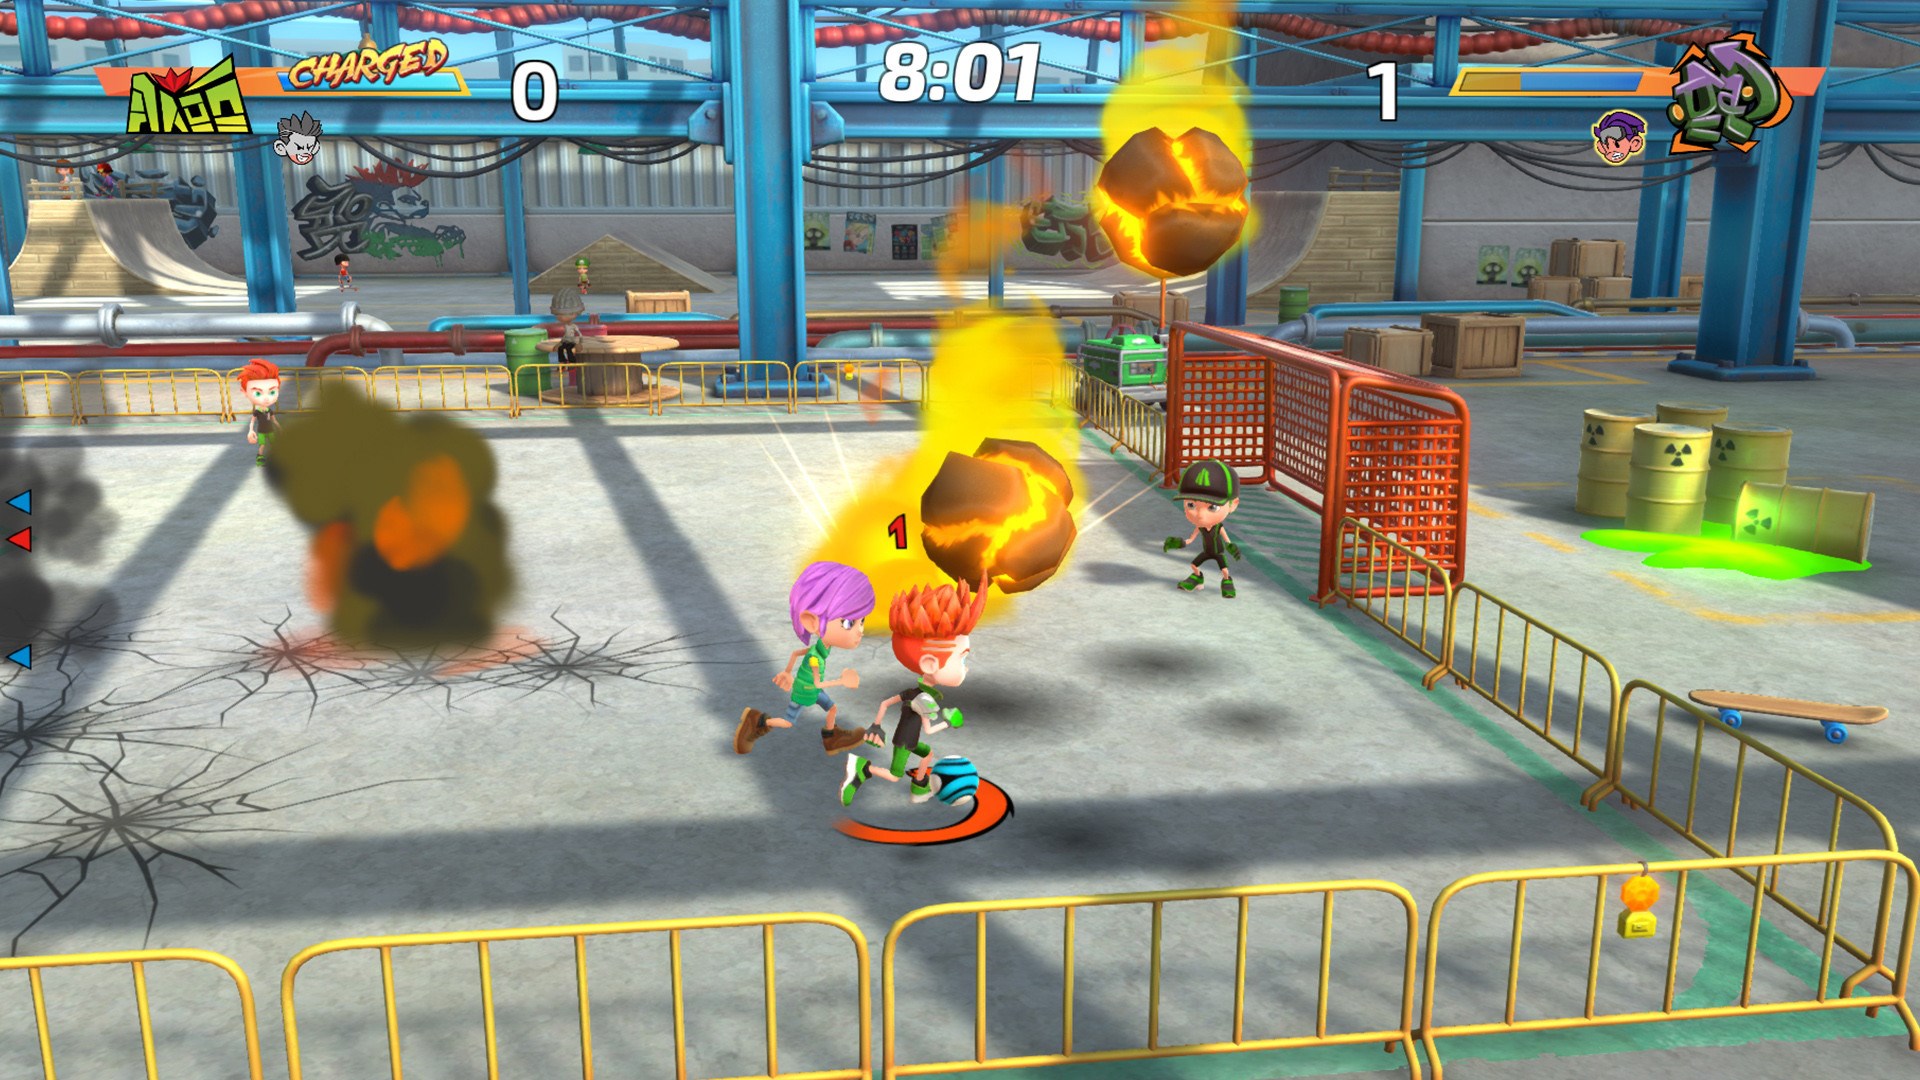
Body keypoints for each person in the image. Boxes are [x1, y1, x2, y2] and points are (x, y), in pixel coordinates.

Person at [842, 578, 985, 807]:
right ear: (929, 664)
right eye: (962, 659)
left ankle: (919, 787)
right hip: (905, 743)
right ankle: (862, 768)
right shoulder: (923, 699)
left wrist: (876, 725)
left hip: (909, 739)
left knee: (927, 755)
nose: (965, 667)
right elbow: (928, 729)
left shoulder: (913, 691)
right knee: (894, 775)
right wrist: (948, 722)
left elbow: (886, 703)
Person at [736, 561, 874, 756]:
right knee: (788, 722)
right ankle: (758, 722)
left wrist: (787, 671)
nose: (860, 631)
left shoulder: (820, 648)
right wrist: (842, 681)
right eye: (848, 623)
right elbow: (818, 682)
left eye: (862, 621)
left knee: (832, 708)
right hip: (805, 692)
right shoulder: (815, 659)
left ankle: (831, 738)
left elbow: (796, 653)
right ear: (811, 622)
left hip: (812, 689)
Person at [1164, 458, 1243, 597]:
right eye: (1191, 505)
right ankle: (1197, 578)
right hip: (1207, 552)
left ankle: (1227, 582)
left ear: (1233, 505)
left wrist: (1231, 546)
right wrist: (1179, 543)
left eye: (1212, 507)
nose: (1200, 515)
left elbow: (1227, 540)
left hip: (1218, 553)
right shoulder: (1199, 527)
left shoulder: (1218, 527)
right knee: (1194, 565)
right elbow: (1190, 539)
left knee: (1224, 570)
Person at [238, 358, 282, 467]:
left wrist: (279, 428)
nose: (266, 398)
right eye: (258, 393)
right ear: (244, 392)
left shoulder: (269, 411)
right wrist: (250, 430)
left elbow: (274, 420)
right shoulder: (257, 411)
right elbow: (252, 421)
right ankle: (260, 458)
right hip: (262, 431)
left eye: (272, 392)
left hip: (270, 430)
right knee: (262, 445)